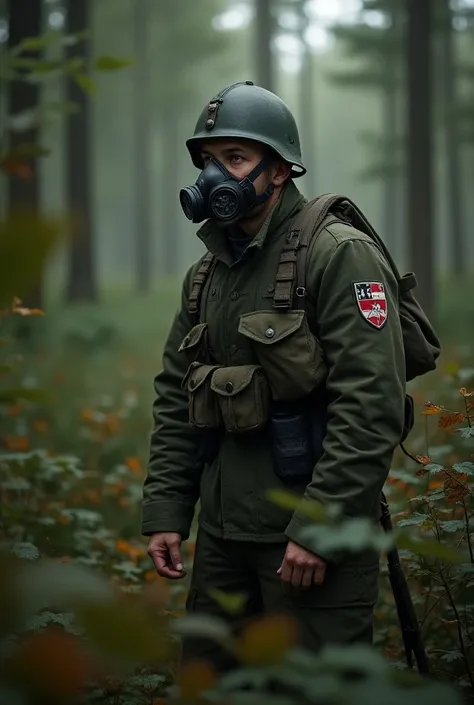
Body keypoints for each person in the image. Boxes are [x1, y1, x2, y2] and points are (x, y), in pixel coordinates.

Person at [141, 81, 407, 672]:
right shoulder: (207, 272)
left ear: (280, 169)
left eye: (235, 158)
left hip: (308, 546)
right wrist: (166, 511)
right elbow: (174, 396)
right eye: (210, 161)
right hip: (222, 540)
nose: (217, 176)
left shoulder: (339, 253)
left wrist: (320, 527)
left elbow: (371, 404)